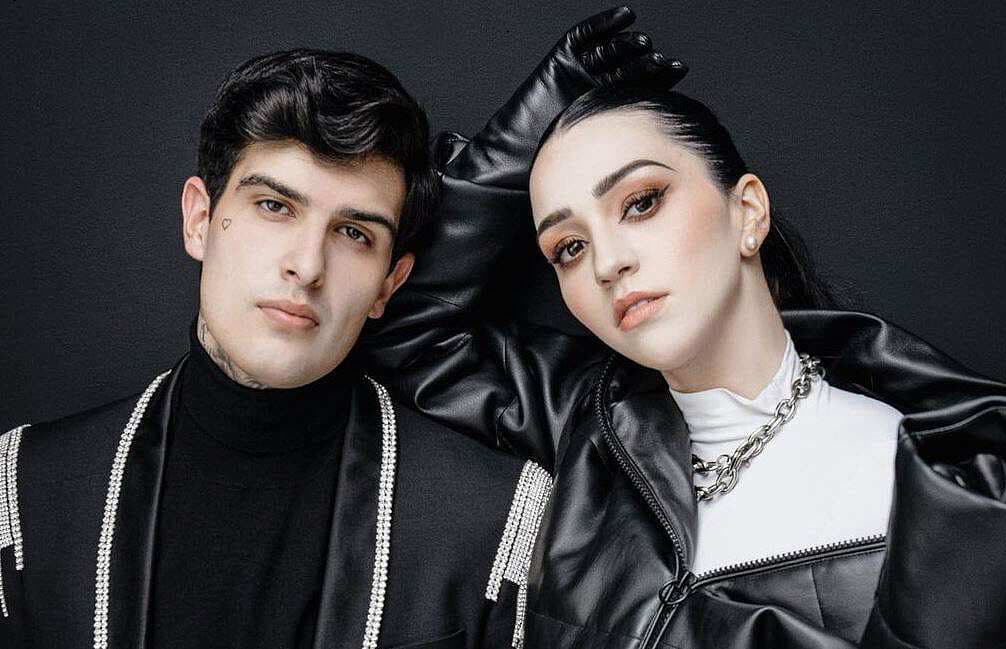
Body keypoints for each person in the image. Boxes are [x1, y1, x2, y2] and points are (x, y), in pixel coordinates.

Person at [0, 13, 683, 646]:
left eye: (354, 233)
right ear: (200, 220)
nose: (306, 265)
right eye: (274, 206)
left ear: (391, 281)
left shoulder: (496, 519)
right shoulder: (27, 491)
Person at [364, 71, 1006, 649]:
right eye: (569, 247)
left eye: (641, 202)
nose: (608, 262)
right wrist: (527, 135)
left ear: (747, 212)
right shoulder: (590, 423)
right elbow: (404, 323)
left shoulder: (943, 492)